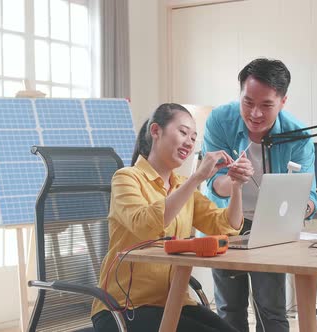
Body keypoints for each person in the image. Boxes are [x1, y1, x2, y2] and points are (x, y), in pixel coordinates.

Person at [91, 103, 254, 332]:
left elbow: (227, 226)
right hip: (125, 307)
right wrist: (196, 178)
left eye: (194, 136)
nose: (189, 141)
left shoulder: (180, 186)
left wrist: (236, 186)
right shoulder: (126, 178)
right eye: (183, 132)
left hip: (174, 302)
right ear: (156, 131)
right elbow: (145, 225)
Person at [202, 58, 317, 332]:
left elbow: (310, 198)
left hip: (270, 228)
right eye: (248, 102)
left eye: (266, 105)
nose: (255, 113)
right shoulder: (220, 120)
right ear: (240, 93)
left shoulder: (298, 135)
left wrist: (297, 209)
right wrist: (234, 182)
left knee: (271, 310)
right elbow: (214, 184)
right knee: (229, 310)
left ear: (283, 101)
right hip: (226, 223)